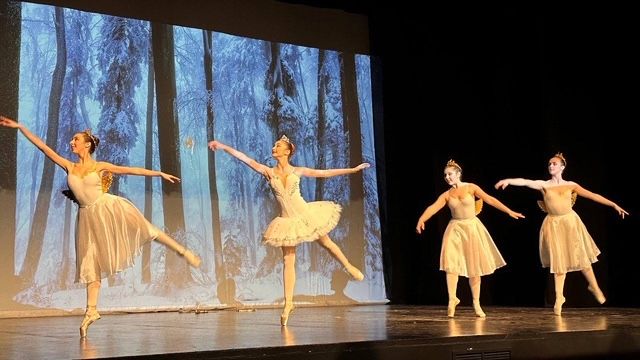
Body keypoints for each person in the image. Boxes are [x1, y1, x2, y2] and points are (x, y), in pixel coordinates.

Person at [0, 115, 202, 337]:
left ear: (87, 144)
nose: (71, 142)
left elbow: (130, 170)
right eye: (71, 139)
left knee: (148, 229)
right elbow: (44, 148)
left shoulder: (100, 166)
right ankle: (91, 311)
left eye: (75, 139)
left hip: (108, 209)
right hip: (88, 218)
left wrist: (159, 173)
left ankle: (184, 252)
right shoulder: (69, 166)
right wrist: (21, 126)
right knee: (90, 264)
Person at [208, 135, 368, 326]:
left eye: (278, 145)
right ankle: (288, 304)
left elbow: (324, 173)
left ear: (287, 151)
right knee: (288, 260)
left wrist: (353, 169)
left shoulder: (297, 170)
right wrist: (223, 145)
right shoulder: (268, 172)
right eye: (274, 145)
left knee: (326, 243)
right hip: (286, 221)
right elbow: (244, 158)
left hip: (306, 214)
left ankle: (348, 266)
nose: (274, 147)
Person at [495, 152, 628, 316]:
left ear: (562, 167)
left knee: (581, 257)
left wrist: (613, 205)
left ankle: (593, 286)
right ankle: (559, 298)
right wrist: (508, 180)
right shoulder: (544, 184)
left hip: (571, 223)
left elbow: (593, 196)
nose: (551, 166)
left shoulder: (571, 185)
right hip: (554, 225)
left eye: (555, 164)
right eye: (550, 164)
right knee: (559, 262)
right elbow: (525, 182)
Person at [415, 159, 524, 318]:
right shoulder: (447, 194)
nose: (447, 177)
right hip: (455, 229)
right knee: (450, 264)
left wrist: (508, 211)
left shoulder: (471, 187)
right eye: (445, 175)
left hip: (472, 228)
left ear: (458, 174)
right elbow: (433, 207)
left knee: (474, 267)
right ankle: (452, 299)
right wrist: (422, 219)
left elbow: (490, 199)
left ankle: (476, 303)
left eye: (450, 174)